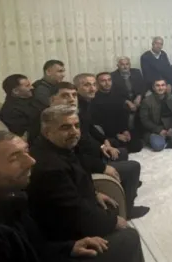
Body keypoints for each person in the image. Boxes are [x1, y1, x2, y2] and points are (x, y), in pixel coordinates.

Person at [0, 130, 144, 262]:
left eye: (26, 152)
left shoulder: (7, 200)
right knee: (128, 239)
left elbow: (33, 247)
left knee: (127, 237)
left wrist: (68, 247)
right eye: (14, 158)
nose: (31, 161)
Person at [26, 105, 146, 261]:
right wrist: (112, 222)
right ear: (47, 132)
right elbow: (74, 213)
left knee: (114, 208)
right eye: (65, 127)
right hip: (66, 237)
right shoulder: (49, 167)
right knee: (130, 236)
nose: (74, 131)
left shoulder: (61, 147)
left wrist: (95, 194)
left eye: (76, 126)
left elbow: (77, 180)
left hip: (78, 211)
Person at [73, 74, 147, 218]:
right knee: (134, 166)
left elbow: (91, 129)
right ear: (77, 88)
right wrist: (102, 162)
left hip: (96, 149)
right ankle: (128, 210)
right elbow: (80, 147)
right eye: (86, 85)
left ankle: (124, 184)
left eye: (93, 84)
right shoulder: (76, 112)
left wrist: (104, 141)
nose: (92, 88)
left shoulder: (86, 104)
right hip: (88, 162)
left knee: (123, 152)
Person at [93, 72, 143, 153]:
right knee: (119, 147)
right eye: (103, 81)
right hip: (107, 133)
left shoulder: (117, 95)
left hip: (120, 129)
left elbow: (123, 115)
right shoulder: (95, 98)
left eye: (109, 80)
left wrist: (125, 130)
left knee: (137, 145)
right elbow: (100, 122)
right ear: (97, 83)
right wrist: (116, 135)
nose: (107, 83)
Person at [0, 73, 46, 143]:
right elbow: (26, 135)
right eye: (27, 86)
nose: (32, 87)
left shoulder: (31, 98)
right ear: (15, 91)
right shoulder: (10, 111)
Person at [139, 79, 172, 151]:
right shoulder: (146, 101)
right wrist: (159, 130)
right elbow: (144, 120)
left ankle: (168, 139)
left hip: (169, 127)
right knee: (158, 145)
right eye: (158, 86)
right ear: (153, 88)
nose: (160, 88)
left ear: (166, 86)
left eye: (163, 85)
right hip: (154, 129)